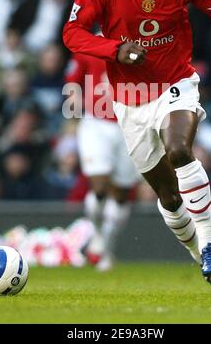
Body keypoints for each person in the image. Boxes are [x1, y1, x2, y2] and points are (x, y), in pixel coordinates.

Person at [63, 0, 211, 293]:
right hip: (129, 101)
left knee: (180, 149)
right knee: (167, 196)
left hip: (175, 84)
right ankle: (202, 255)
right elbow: (72, 33)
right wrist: (116, 49)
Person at [65, 53, 140, 271]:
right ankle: (98, 235)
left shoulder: (140, 46)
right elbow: (73, 81)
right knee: (99, 186)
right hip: (96, 123)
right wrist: (74, 108)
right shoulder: (89, 47)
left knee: (121, 194)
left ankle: (107, 245)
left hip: (131, 124)